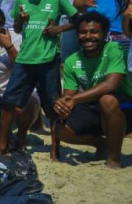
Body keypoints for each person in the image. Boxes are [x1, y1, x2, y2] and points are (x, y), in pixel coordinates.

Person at [0, 0, 78, 155]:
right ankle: (2, 145)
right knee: (9, 102)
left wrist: (58, 28)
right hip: (25, 60)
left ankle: (55, 148)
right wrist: (20, 21)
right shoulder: (22, 0)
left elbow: (77, 20)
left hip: (48, 60)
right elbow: (16, 27)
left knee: (53, 104)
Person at [54, 12, 132, 169]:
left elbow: (111, 84)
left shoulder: (114, 49)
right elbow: (69, 95)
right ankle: (101, 144)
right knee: (61, 130)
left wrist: (74, 100)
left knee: (107, 99)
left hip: (124, 106)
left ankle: (114, 158)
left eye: (94, 32)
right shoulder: (71, 61)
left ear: (104, 34)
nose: (88, 36)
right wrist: (62, 105)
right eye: (83, 32)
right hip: (94, 105)